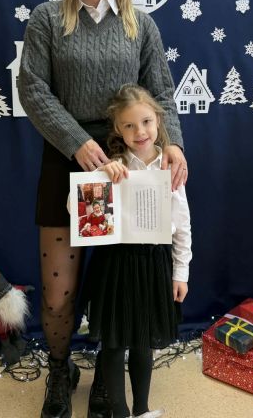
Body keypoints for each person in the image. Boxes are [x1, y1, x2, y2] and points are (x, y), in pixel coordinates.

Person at [18, 0, 188, 418]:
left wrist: (174, 145)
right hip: (67, 162)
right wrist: (76, 142)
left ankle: (107, 380)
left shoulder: (141, 24)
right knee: (58, 293)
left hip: (128, 167)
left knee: (119, 285)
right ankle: (59, 369)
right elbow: (32, 89)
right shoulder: (47, 18)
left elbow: (161, 93)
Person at [87, 84, 192, 418]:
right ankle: (120, 413)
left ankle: (141, 410)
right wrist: (100, 177)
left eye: (146, 122)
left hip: (154, 263)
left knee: (143, 341)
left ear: (158, 120)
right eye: (129, 125)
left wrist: (180, 274)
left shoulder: (170, 167)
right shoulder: (112, 166)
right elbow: (76, 211)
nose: (140, 132)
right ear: (118, 129)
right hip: (116, 264)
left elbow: (182, 226)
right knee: (115, 342)